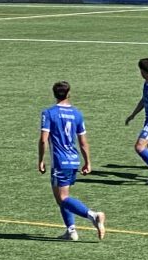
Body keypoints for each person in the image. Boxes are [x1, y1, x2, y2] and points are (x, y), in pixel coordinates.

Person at [38, 81, 105, 242]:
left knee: (63, 198)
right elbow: (83, 142)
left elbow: (43, 140)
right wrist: (88, 162)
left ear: (54, 94)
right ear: (69, 94)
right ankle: (71, 230)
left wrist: (41, 160)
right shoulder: (77, 114)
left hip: (59, 161)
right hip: (73, 160)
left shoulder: (49, 113)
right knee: (62, 198)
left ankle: (93, 216)